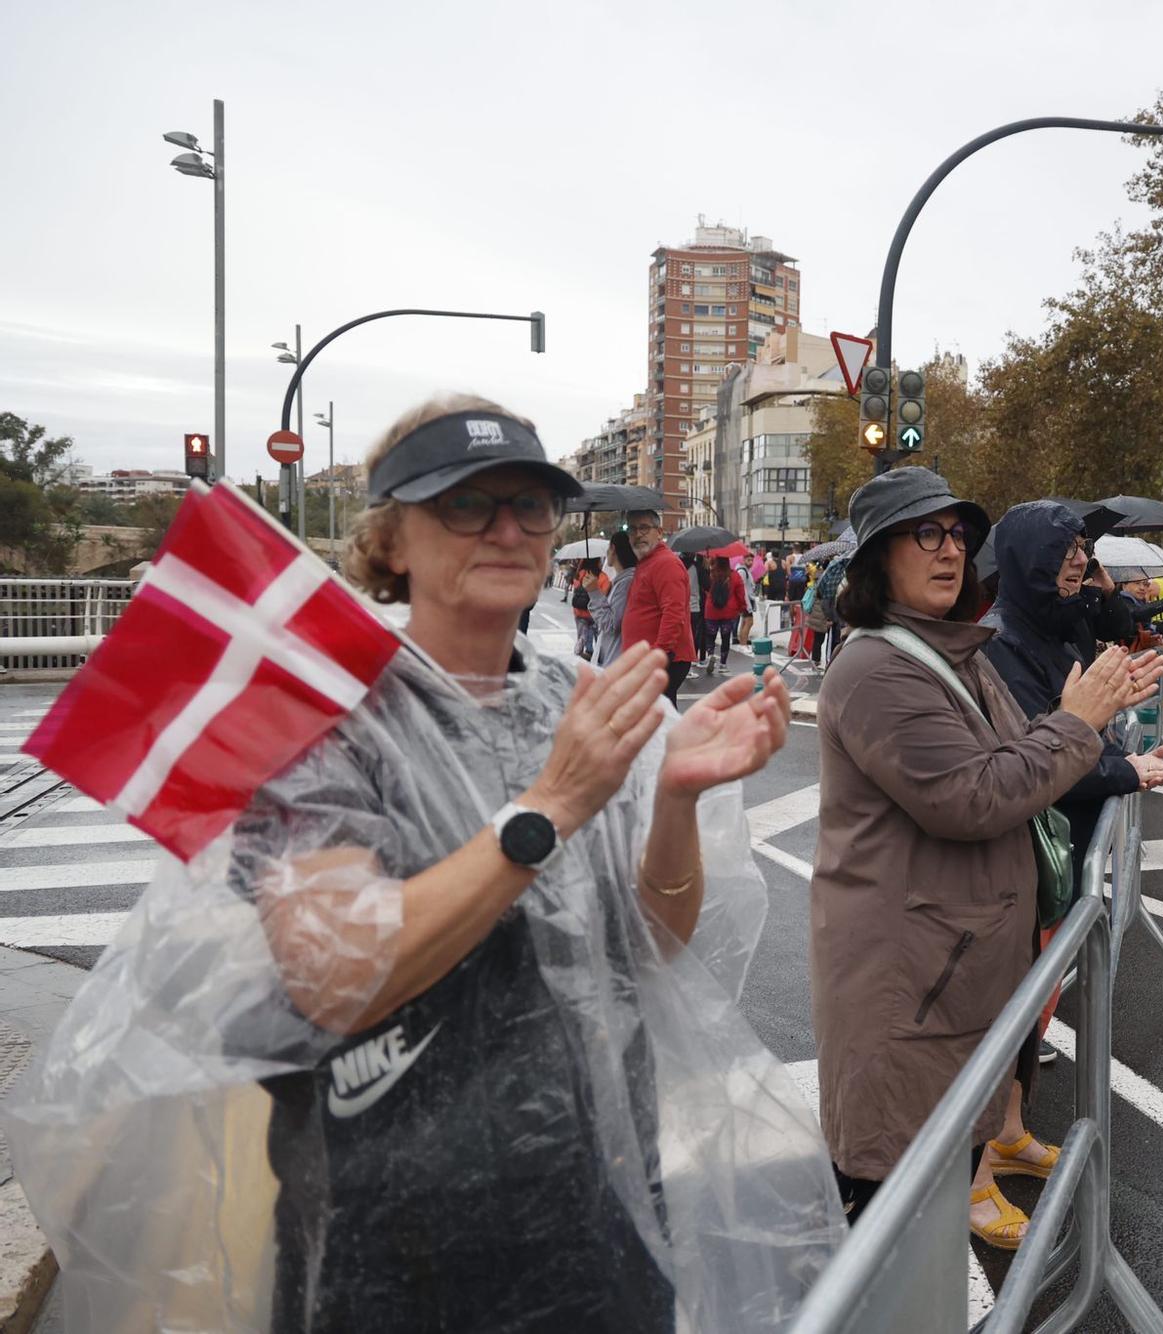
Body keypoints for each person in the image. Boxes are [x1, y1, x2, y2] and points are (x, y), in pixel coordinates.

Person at [3, 395, 842, 1331]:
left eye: (532, 505)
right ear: (390, 539)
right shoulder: (317, 724)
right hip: (397, 1241)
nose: (508, 529)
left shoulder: (577, 702)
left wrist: (676, 799)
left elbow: (642, 951)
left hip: (597, 1209)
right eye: (465, 504)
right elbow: (333, 980)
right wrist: (552, 809)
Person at [811, 468, 1160, 1250]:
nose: (949, 551)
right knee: (893, 1225)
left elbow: (1019, 754)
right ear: (876, 558)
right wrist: (1078, 721)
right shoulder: (876, 669)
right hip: (911, 989)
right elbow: (974, 797)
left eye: (959, 535)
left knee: (934, 1205)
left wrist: (1101, 709)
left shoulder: (952, 652)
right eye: (924, 534)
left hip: (953, 975)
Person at [983, 501, 1163, 876]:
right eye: (1065, 549)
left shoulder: (1057, 625)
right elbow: (1034, 760)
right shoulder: (1002, 643)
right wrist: (1125, 770)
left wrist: (1117, 752)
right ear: (1032, 560)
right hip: (1042, 857)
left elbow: (1076, 732)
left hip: (1068, 843)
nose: (1081, 561)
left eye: (1082, 547)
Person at [617, 509, 697, 709]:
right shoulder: (647, 562)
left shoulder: (666, 563)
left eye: (644, 528)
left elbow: (674, 613)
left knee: (656, 718)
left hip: (664, 657)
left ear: (659, 532)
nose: (637, 534)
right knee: (656, 718)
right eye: (632, 529)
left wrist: (658, 653)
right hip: (650, 657)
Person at [592, 529, 639, 667]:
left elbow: (611, 625)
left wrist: (594, 593)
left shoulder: (626, 583)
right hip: (612, 656)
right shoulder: (621, 581)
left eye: (608, 548)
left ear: (613, 548)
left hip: (615, 659)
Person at [704, 554, 749, 674]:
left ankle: (710, 655)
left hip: (711, 611)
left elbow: (704, 589)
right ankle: (723, 664)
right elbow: (741, 595)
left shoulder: (710, 574)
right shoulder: (735, 575)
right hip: (729, 612)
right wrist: (742, 608)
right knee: (725, 638)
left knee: (710, 636)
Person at [570, 558, 603, 660]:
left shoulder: (579, 574)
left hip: (579, 612)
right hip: (593, 612)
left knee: (581, 637)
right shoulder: (599, 576)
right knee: (598, 635)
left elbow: (575, 585)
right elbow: (603, 591)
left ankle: (577, 655)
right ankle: (598, 655)